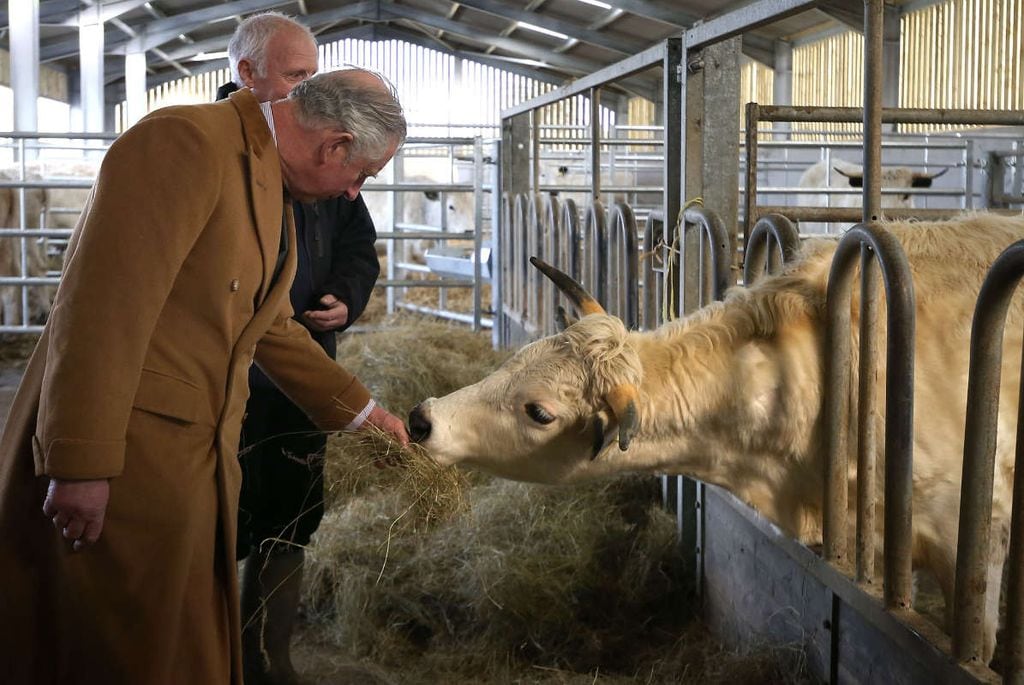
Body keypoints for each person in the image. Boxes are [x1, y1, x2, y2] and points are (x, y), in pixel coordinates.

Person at [0, 65, 408, 684]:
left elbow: (267, 323)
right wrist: (80, 461)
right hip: (126, 457)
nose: (354, 193)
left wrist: (363, 413)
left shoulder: (267, 179)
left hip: (189, 453)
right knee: (114, 641)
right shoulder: (185, 143)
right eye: (362, 177)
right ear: (337, 146)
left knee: (168, 640)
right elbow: (99, 308)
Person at [217, 13, 382, 685]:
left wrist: (347, 292)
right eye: (294, 75)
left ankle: (268, 657)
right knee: (213, 521)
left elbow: (357, 243)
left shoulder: (324, 161)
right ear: (246, 74)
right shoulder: (215, 158)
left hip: (304, 372)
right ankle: (212, 654)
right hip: (228, 379)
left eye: (312, 75)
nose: (306, 88)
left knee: (290, 518)